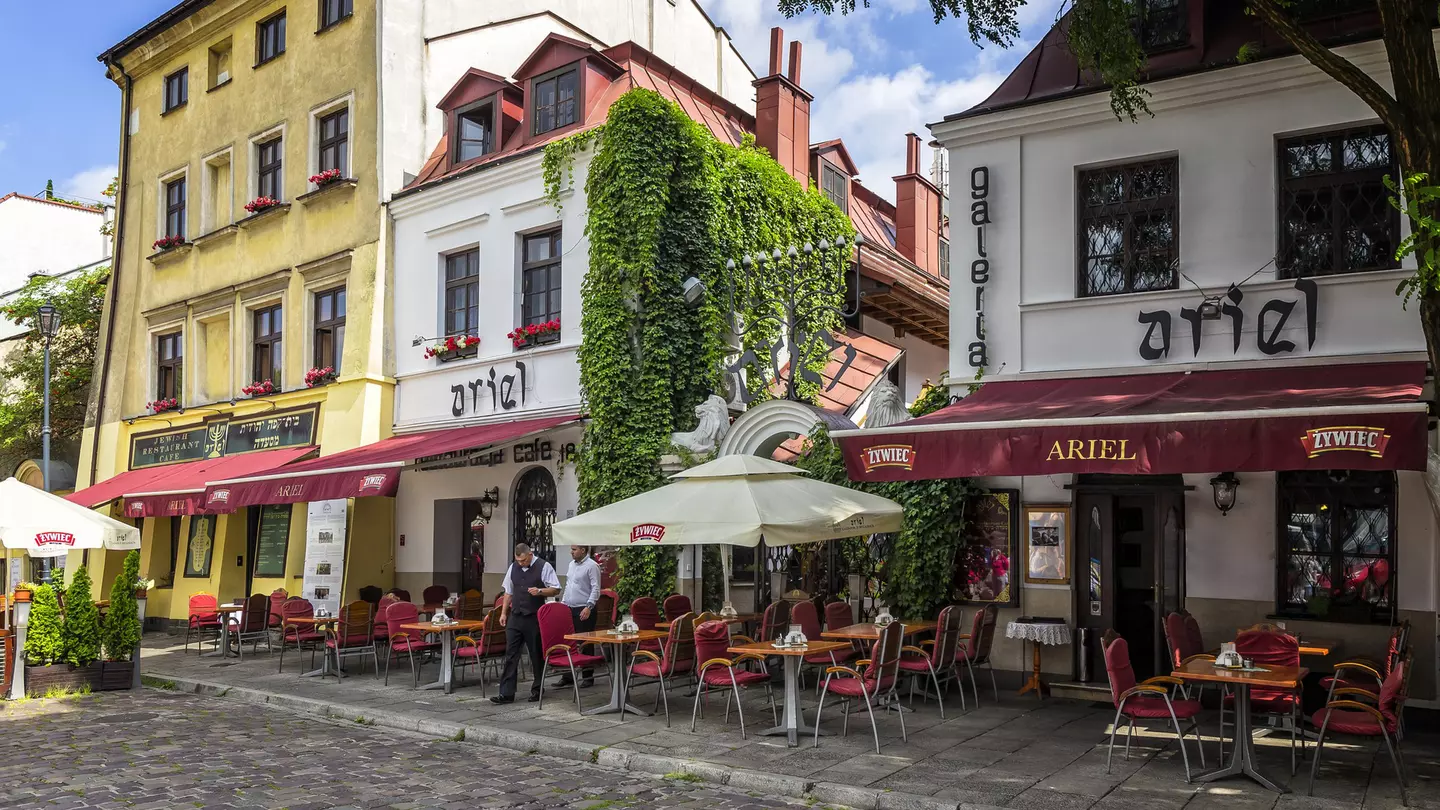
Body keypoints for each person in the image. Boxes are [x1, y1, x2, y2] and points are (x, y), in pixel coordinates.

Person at [490, 543, 560, 704]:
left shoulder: (544, 566)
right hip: (515, 616)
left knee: (536, 654)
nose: (520, 563)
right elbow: (508, 591)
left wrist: (540, 591)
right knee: (511, 654)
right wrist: (503, 613)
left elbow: (556, 589)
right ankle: (506, 693)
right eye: (518, 560)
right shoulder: (513, 568)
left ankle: (537, 689)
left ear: (530, 554)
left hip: (534, 617)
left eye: (523, 560)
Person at [554, 545, 602, 688]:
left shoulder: (592, 566)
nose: (571, 552)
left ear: (583, 550)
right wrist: (563, 603)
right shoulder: (571, 565)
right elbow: (568, 585)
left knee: (585, 642)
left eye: (574, 549)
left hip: (585, 608)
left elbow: (595, 587)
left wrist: (589, 605)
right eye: (571, 549)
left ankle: (588, 676)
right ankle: (567, 675)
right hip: (569, 607)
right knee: (569, 642)